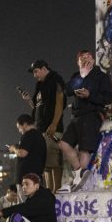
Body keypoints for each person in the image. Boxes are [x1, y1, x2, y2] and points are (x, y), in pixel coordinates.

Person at [58, 50, 112, 192]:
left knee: (85, 150)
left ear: (93, 60)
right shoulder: (77, 76)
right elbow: (68, 90)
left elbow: (108, 98)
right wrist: (82, 74)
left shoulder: (101, 76)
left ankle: (81, 183)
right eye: (82, 58)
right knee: (64, 144)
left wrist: (90, 95)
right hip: (76, 117)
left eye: (88, 56)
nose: (86, 59)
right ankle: (80, 172)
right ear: (78, 62)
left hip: (92, 116)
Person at [22, 59, 66, 190]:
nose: (35, 75)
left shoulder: (55, 79)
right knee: (46, 164)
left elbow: (60, 102)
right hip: (40, 130)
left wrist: (54, 124)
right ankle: (50, 192)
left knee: (54, 162)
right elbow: (37, 108)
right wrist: (29, 100)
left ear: (43, 68)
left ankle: (56, 192)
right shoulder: (40, 86)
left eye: (36, 71)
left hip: (51, 129)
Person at [10, 114, 48, 184]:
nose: (19, 130)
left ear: (25, 124)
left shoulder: (28, 135)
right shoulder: (39, 136)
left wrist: (14, 149)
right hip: (36, 176)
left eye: (19, 127)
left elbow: (22, 153)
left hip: (26, 178)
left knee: (25, 195)